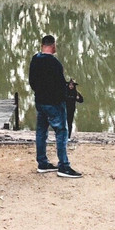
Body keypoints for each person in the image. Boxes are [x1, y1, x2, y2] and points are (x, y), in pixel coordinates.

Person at [28, 35, 82, 178]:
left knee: (41, 132)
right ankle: (63, 166)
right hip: (54, 104)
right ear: (53, 46)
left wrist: (40, 92)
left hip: (40, 102)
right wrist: (63, 98)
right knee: (62, 132)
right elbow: (60, 85)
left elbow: (32, 81)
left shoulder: (35, 60)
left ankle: (42, 163)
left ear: (42, 45)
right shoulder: (55, 63)